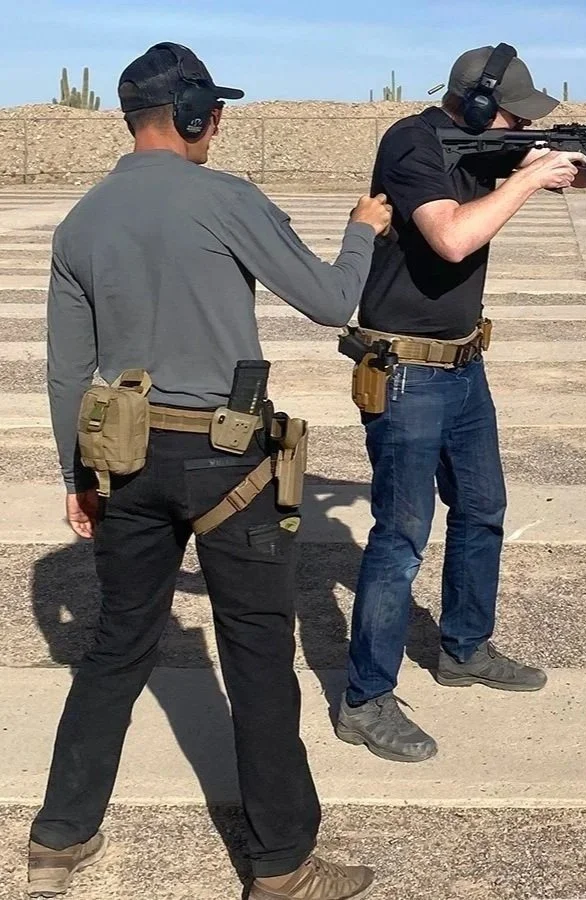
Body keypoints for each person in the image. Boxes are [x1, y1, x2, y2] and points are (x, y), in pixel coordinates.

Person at [28, 42, 391, 900]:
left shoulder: (81, 221)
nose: (218, 123)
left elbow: (61, 372)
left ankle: (59, 838)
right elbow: (332, 301)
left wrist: (75, 477)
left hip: (120, 461)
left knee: (117, 645)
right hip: (227, 461)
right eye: (213, 111)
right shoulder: (225, 197)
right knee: (259, 653)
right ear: (193, 116)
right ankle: (281, 865)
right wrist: (361, 233)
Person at [335, 43, 586, 763]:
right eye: (510, 115)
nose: (517, 129)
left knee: (482, 510)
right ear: (474, 105)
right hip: (405, 373)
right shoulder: (411, 144)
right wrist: (527, 174)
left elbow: (568, 173)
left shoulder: (482, 146)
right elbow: (450, 236)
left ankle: (464, 648)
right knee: (400, 538)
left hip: (463, 365)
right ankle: (364, 699)